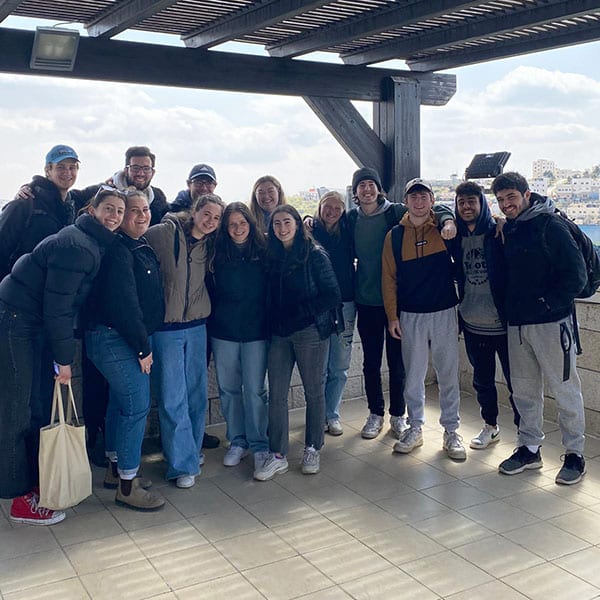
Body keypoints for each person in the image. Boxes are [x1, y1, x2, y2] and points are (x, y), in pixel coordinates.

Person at [0, 186, 125, 525]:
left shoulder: (89, 239)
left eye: (119, 211)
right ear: (93, 210)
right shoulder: (79, 247)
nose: (114, 216)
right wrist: (65, 360)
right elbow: (58, 307)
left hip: (31, 321)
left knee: (36, 405)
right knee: (15, 408)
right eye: (108, 209)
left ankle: (34, 484)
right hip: (16, 319)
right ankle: (18, 499)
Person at [348, 167, 456, 440]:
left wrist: (448, 220)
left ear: (380, 188)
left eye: (372, 184)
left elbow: (436, 210)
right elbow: (329, 223)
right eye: (362, 185)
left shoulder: (394, 212)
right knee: (371, 363)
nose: (367, 189)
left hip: (408, 306)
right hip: (370, 301)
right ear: (356, 192)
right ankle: (376, 414)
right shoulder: (354, 219)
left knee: (400, 364)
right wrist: (308, 218)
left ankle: (400, 416)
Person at [493, 172, 587, 485]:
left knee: (564, 389)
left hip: (552, 324)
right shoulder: (514, 228)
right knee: (524, 391)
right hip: (518, 325)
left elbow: (577, 277)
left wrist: (548, 304)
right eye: (502, 200)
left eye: (511, 197)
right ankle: (529, 448)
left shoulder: (552, 225)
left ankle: (575, 454)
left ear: (527, 194)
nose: (507, 204)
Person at [85, 190, 166, 511]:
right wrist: (143, 348)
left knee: (120, 404)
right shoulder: (119, 251)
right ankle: (128, 487)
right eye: (134, 211)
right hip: (115, 338)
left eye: (145, 209)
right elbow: (126, 305)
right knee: (135, 407)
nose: (142, 215)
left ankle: (114, 470)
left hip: (120, 338)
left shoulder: (136, 246)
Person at [254, 205, 341, 481]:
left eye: (287, 222)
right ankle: (277, 454)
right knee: (276, 393)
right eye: (276, 223)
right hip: (279, 333)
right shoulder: (272, 255)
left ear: (297, 223)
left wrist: (300, 313)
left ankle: (313, 447)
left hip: (310, 332)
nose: (281, 228)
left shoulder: (314, 254)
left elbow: (332, 295)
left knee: (313, 391)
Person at [145, 193, 225, 488]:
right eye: (207, 214)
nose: (210, 221)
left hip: (198, 326)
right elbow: (132, 245)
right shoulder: (164, 233)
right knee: (172, 396)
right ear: (195, 211)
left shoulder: (211, 244)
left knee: (196, 393)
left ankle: (188, 450)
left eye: (216, 218)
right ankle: (181, 465)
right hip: (166, 329)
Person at [382, 178, 465, 460]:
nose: (418, 202)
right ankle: (415, 427)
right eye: (413, 197)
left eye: (424, 196)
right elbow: (388, 279)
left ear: (432, 200)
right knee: (413, 375)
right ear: (406, 202)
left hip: (443, 311)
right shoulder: (394, 236)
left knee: (448, 374)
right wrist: (392, 316)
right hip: (410, 315)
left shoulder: (445, 231)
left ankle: (451, 431)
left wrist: (447, 220)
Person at [453, 181, 520, 449]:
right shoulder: (454, 236)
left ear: (482, 204)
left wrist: (503, 222)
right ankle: (490, 427)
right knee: (482, 382)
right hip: (472, 323)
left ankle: (524, 436)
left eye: (472, 201)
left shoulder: (498, 233)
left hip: (503, 324)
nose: (466, 207)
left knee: (518, 385)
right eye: (461, 203)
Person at [208, 202, 269, 475]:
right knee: (229, 389)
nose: (238, 228)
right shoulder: (216, 253)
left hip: (257, 332)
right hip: (224, 332)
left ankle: (259, 444)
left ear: (250, 224)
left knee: (255, 390)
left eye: (242, 223)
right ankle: (237, 439)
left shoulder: (264, 251)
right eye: (232, 224)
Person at [311, 191, 356, 436]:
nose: (332, 212)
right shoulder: (310, 231)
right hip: (318, 306)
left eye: (337, 208)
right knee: (317, 366)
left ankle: (332, 414)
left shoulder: (348, 229)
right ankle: (317, 414)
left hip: (346, 303)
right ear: (319, 208)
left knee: (339, 365)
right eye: (328, 207)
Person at [0, 144, 80, 281]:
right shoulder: (24, 203)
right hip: (15, 292)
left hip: (46, 293)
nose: (67, 172)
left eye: (72, 167)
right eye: (60, 167)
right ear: (48, 170)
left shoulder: (71, 206)